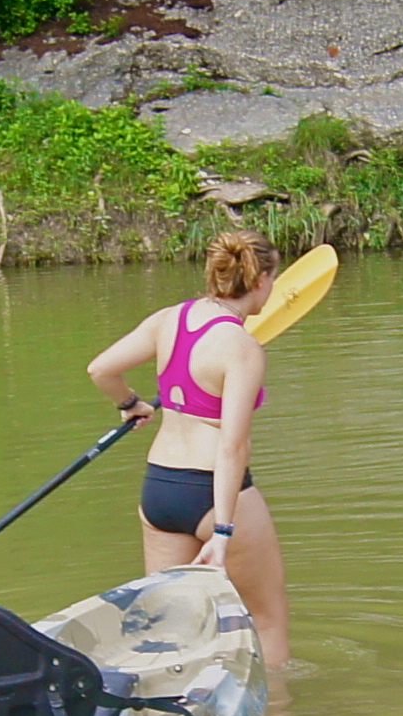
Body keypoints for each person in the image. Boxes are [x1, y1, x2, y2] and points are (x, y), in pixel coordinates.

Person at [88, 230, 291, 657]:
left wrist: (130, 403)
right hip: (210, 492)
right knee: (265, 618)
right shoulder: (241, 347)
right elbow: (233, 446)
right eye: (274, 280)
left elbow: (101, 369)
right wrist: (222, 531)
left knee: (171, 632)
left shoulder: (169, 320)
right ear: (260, 281)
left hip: (159, 490)